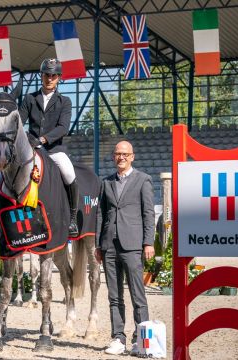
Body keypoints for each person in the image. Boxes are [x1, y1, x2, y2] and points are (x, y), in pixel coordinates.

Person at [95, 140, 155, 356]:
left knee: (138, 295)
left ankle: (140, 339)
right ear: (114, 157)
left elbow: (149, 213)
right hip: (109, 245)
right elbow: (101, 214)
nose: (121, 157)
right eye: (118, 153)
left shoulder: (143, 180)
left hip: (132, 245)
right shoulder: (106, 182)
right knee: (114, 296)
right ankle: (118, 338)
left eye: (125, 154)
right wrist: (98, 245)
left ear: (132, 156)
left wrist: (149, 242)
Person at [19, 58, 79, 237]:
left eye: (53, 75)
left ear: (59, 77)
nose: (49, 78)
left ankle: (73, 219)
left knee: (69, 174)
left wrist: (43, 140)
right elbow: (20, 122)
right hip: (31, 148)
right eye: (46, 75)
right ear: (41, 76)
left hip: (54, 149)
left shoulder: (65, 101)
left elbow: (63, 128)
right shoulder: (30, 98)